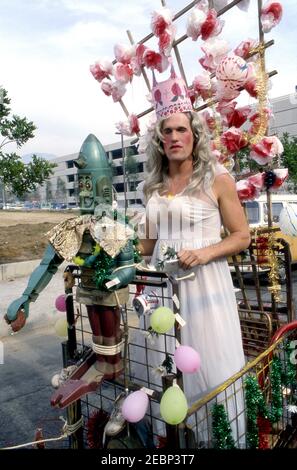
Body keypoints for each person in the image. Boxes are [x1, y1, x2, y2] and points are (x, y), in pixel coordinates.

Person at [131, 66, 250, 446]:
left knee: (212, 373)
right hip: (163, 298)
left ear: (194, 134)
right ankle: (176, 445)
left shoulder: (216, 178)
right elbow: (145, 248)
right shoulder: (151, 186)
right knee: (166, 376)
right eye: (166, 131)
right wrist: (111, 249)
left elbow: (242, 236)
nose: (173, 136)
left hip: (206, 291)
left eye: (181, 129)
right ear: (159, 140)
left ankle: (222, 440)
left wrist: (205, 252)